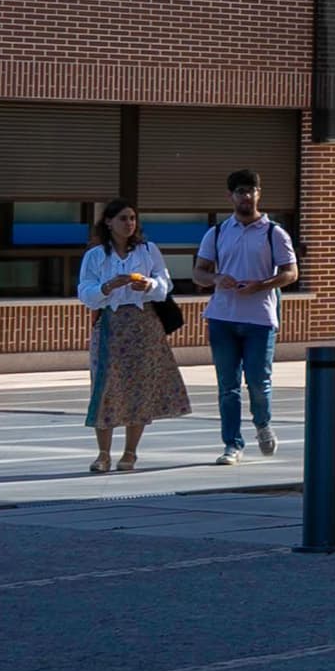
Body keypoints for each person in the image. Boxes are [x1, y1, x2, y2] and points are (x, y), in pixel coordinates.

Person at [194, 167, 300, 467]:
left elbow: (291, 273)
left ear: (259, 193)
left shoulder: (273, 232)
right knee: (227, 386)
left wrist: (261, 285)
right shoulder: (216, 233)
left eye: (251, 190)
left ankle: (263, 423)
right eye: (240, 191)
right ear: (230, 196)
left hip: (260, 319)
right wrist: (217, 278)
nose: (246, 196)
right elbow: (198, 272)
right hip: (222, 318)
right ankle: (232, 444)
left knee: (257, 380)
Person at [78, 200, 190, 474]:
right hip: (111, 326)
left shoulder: (148, 251)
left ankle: (130, 453)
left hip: (144, 324)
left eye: (132, 219)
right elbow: (85, 291)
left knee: (139, 387)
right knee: (105, 388)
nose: (129, 224)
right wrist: (107, 286)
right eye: (123, 219)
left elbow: (164, 284)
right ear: (108, 222)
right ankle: (103, 454)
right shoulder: (95, 256)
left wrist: (148, 284)